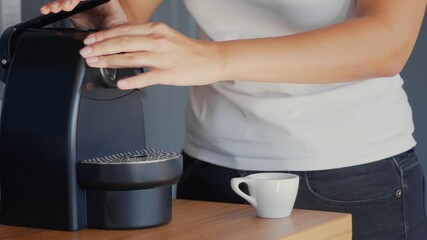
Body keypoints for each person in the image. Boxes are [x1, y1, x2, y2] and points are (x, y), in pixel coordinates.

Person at [41, 0, 427, 239]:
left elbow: (387, 43)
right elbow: (128, 11)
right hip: (210, 168)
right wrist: (105, 15)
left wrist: (212, 59)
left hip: (350, 173)